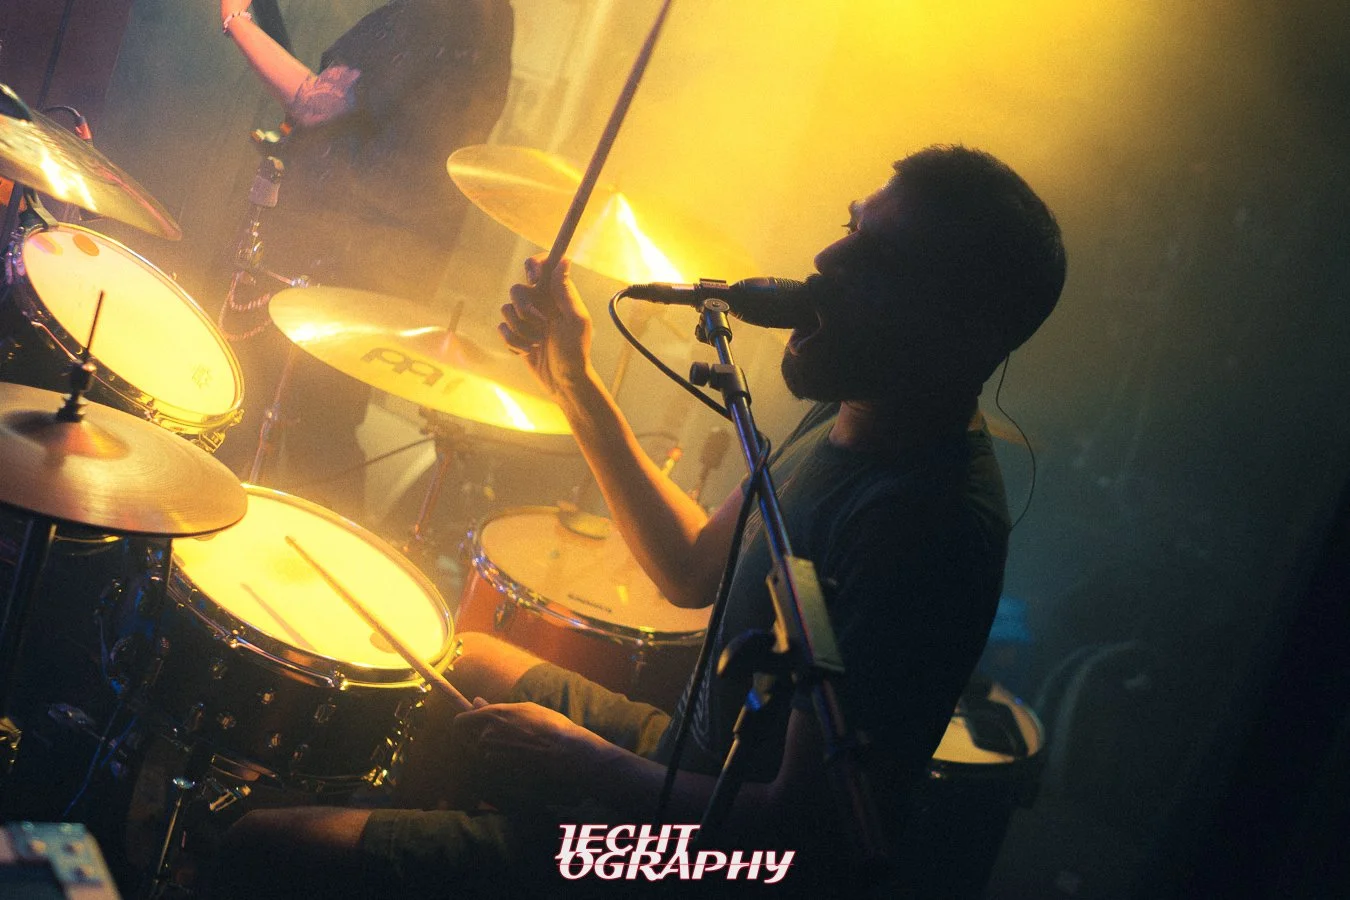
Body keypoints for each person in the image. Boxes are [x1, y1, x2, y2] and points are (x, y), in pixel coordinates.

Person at [208, 145, 1066, 898]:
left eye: (878, 260)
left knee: (257, 849)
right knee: (455, 656)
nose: (825, 260)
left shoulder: (923, 531)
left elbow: (787, 833)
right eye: (850, 227)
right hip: (687, 757)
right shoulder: (857, 404)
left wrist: (583, 763)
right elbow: (691, 567)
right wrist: (573, 382)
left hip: (702, 857)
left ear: (961, 331)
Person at [214, 0, 514, 510]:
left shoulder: (446, 13)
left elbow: (317, 103)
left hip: (339, 262)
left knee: (275, 418)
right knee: (310, 429)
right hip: (365, 265)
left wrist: (236, 19)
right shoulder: (475, 18)